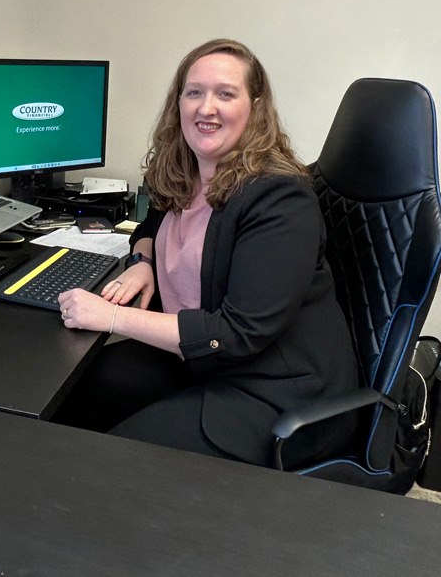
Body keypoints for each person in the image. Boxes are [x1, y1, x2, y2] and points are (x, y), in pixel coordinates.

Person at [55, 38, 359, 468]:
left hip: (274, 390)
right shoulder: (188, 172)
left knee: (114, 463)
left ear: (255, 107)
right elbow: (151, 225)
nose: (206, 107)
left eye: (225, 94)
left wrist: (114, 318)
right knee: (69, 397)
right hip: (198, 364)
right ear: (178, 102)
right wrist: (144, 264)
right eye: (194, 92)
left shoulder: (280, 200)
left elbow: (237, 333)